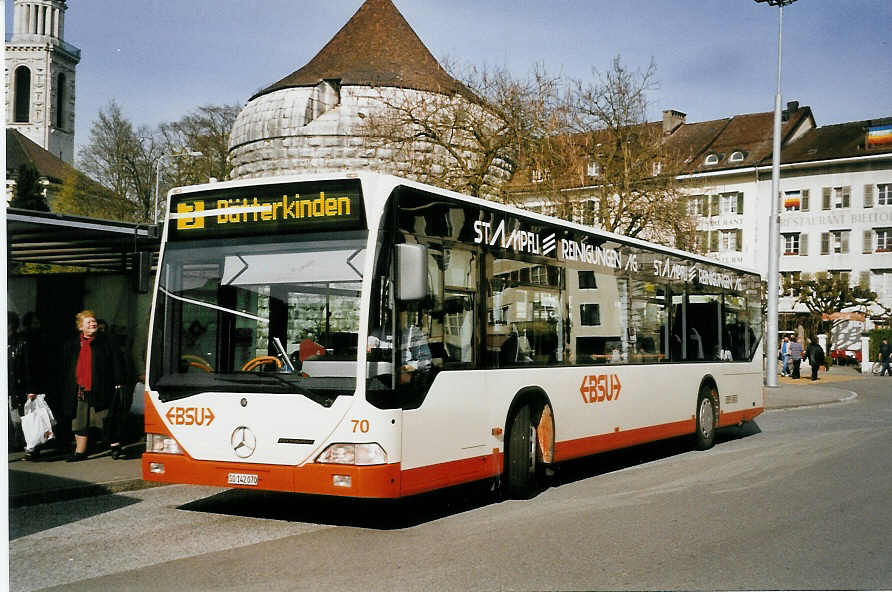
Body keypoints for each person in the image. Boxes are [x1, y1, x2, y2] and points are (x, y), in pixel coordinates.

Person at [60, 310, 125, 462]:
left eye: (93, 320)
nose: (93, 323)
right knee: (79, 421)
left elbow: (117, 362)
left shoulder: (107, 341)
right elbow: (66, 367)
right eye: (88, 322)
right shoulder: (72, 344)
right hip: (80, 389)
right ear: (80, 327)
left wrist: (119, 381)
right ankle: (80, 451)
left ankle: (115, 446)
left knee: (106, 418)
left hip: (102, 387)